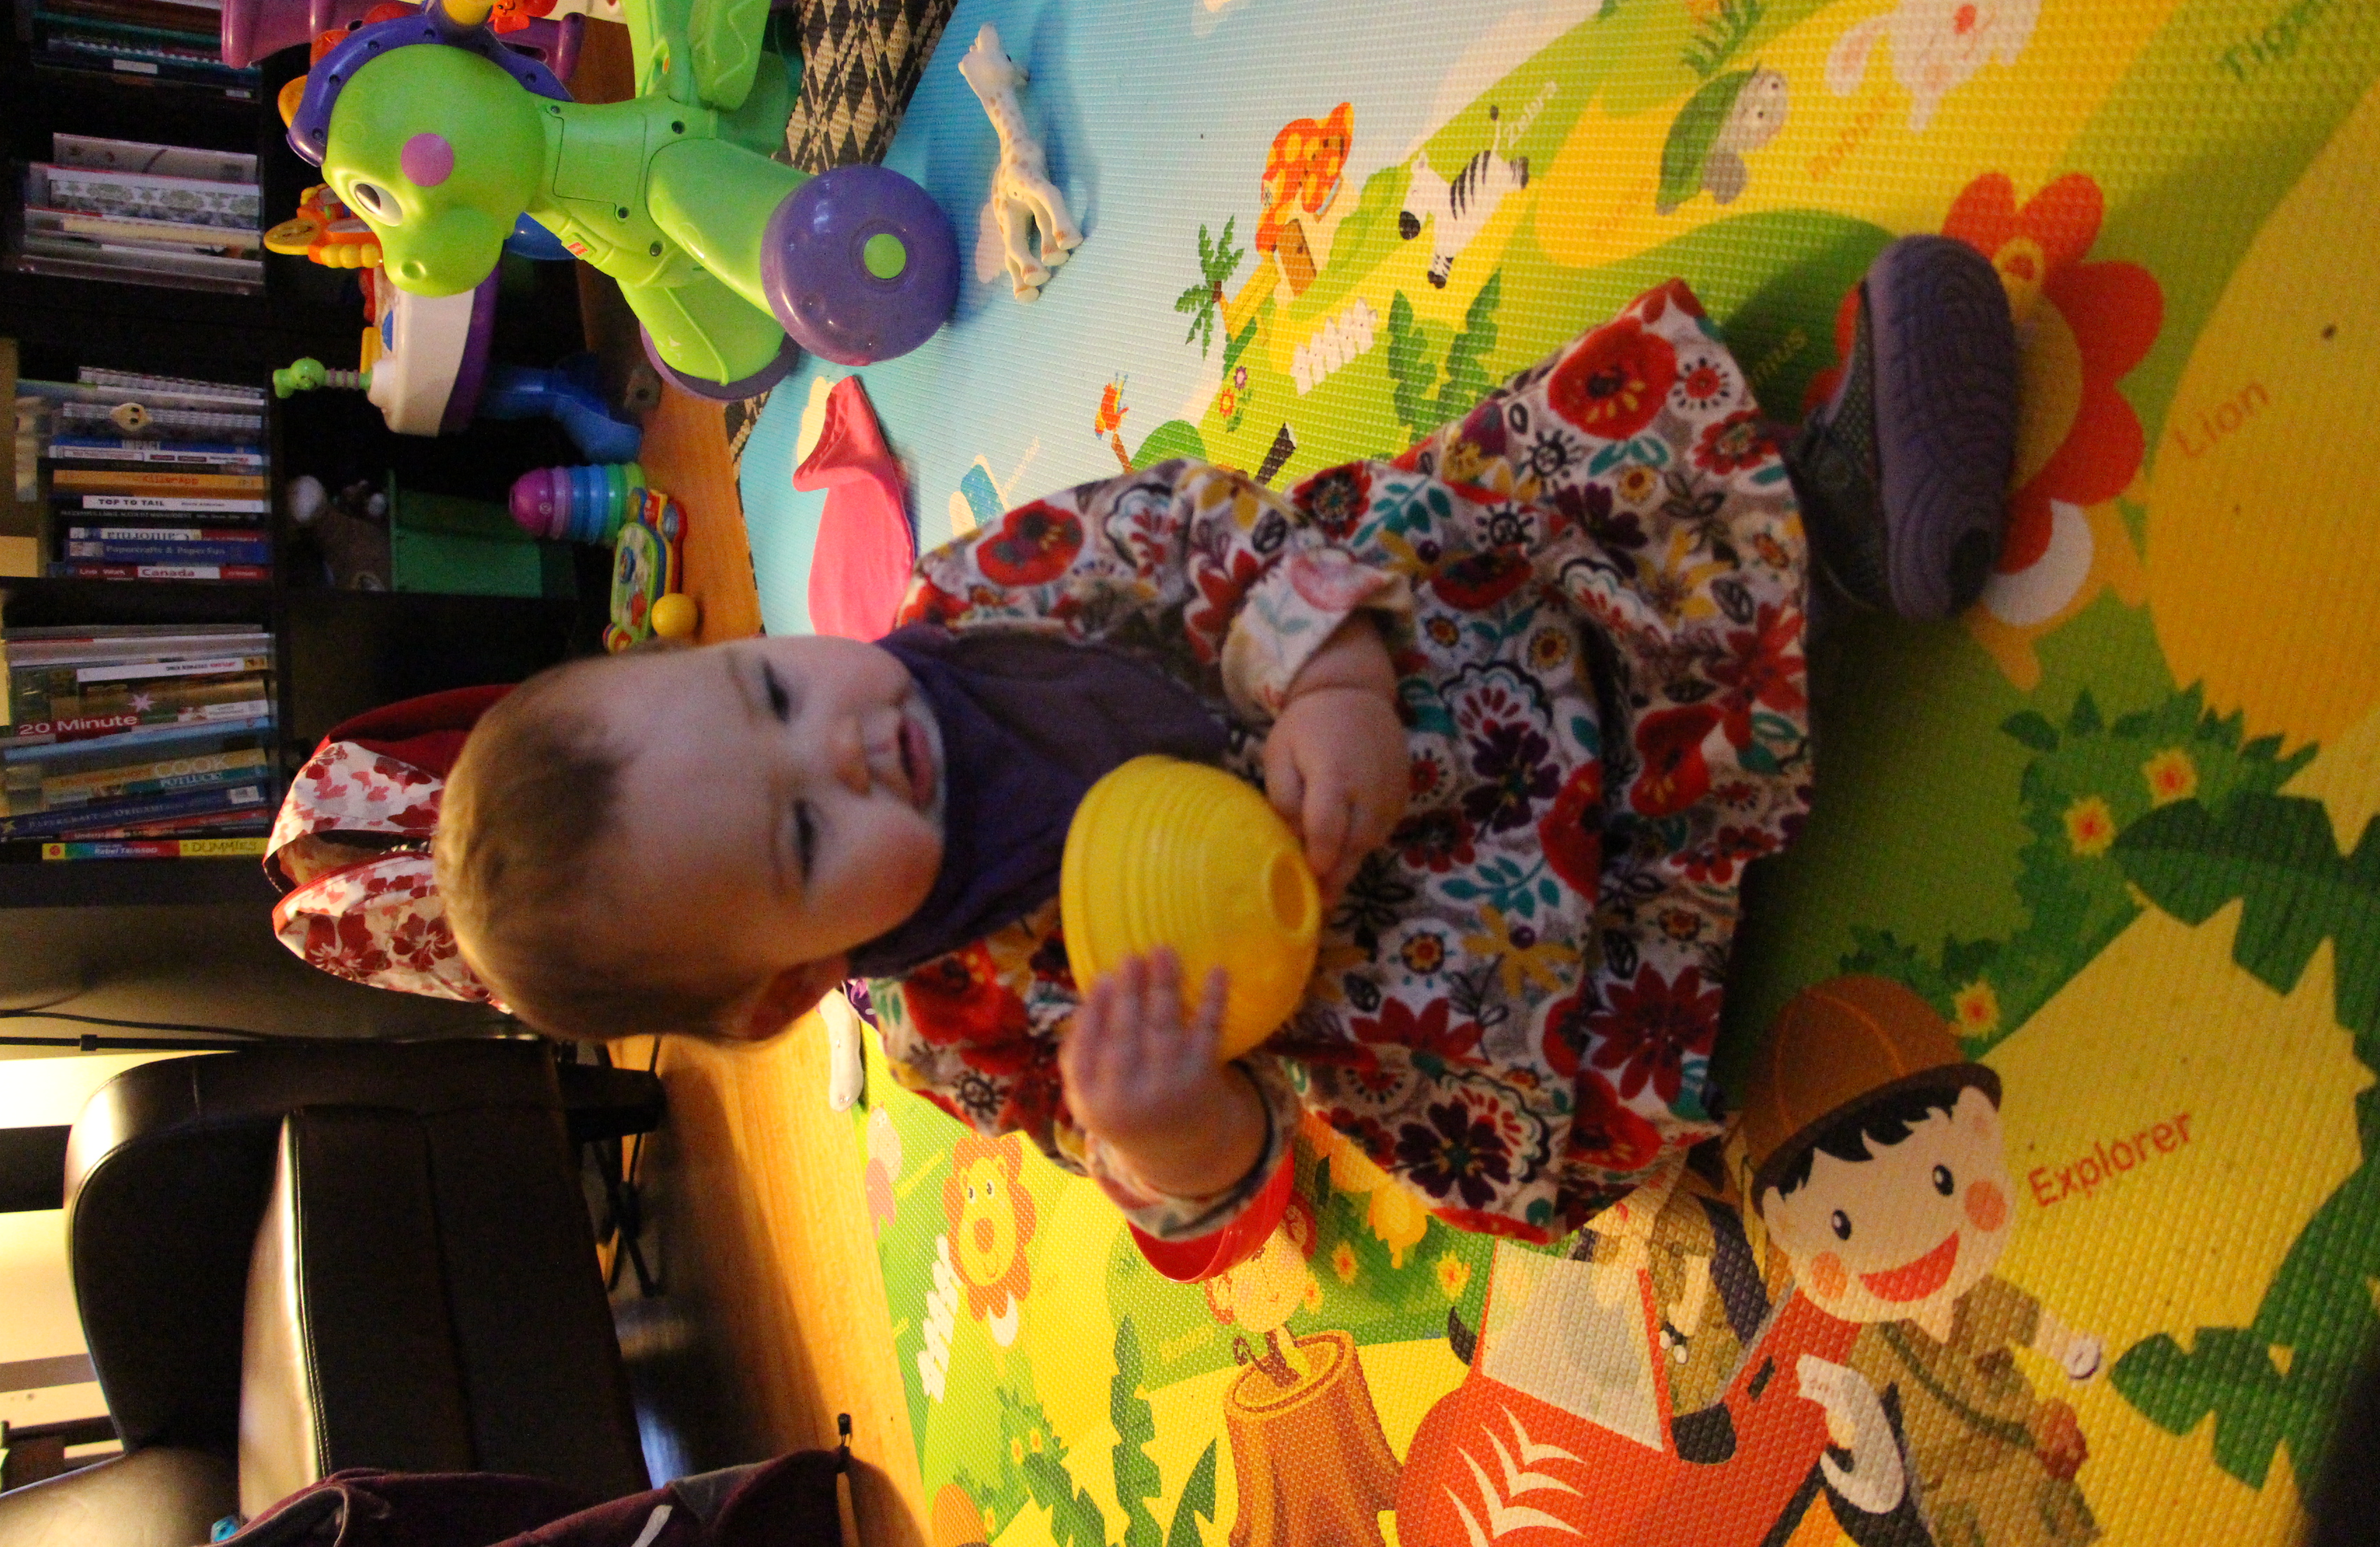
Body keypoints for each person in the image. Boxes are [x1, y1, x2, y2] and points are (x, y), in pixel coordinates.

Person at [433, 235, 2019, 1252]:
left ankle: (1823, 522)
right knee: (1559, 1086)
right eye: (798, 838)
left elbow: (1206, 526)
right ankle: (1701, 877)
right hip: (1448, 950)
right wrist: (1167, 1121)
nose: (843, 751)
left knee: (1537, 499)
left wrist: (1327, 682)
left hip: (1456, 654)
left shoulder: (988, 591)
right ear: (791, 985)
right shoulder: (960, 1024)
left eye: (774, 695)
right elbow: (1213, 1173)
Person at [1742, 973, 2104, 1547]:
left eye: (1941, 1181)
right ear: (1788, 1230)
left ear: (1980, 1130)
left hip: (2030, 1472)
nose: (1903, 1239)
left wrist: (2072, 1351)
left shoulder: (1983, 1299)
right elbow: (1861, 1419)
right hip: (1954, 1500)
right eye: (1843, 1225)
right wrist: (1843, 1426)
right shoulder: (1876, 1345)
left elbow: (2034, 1323)